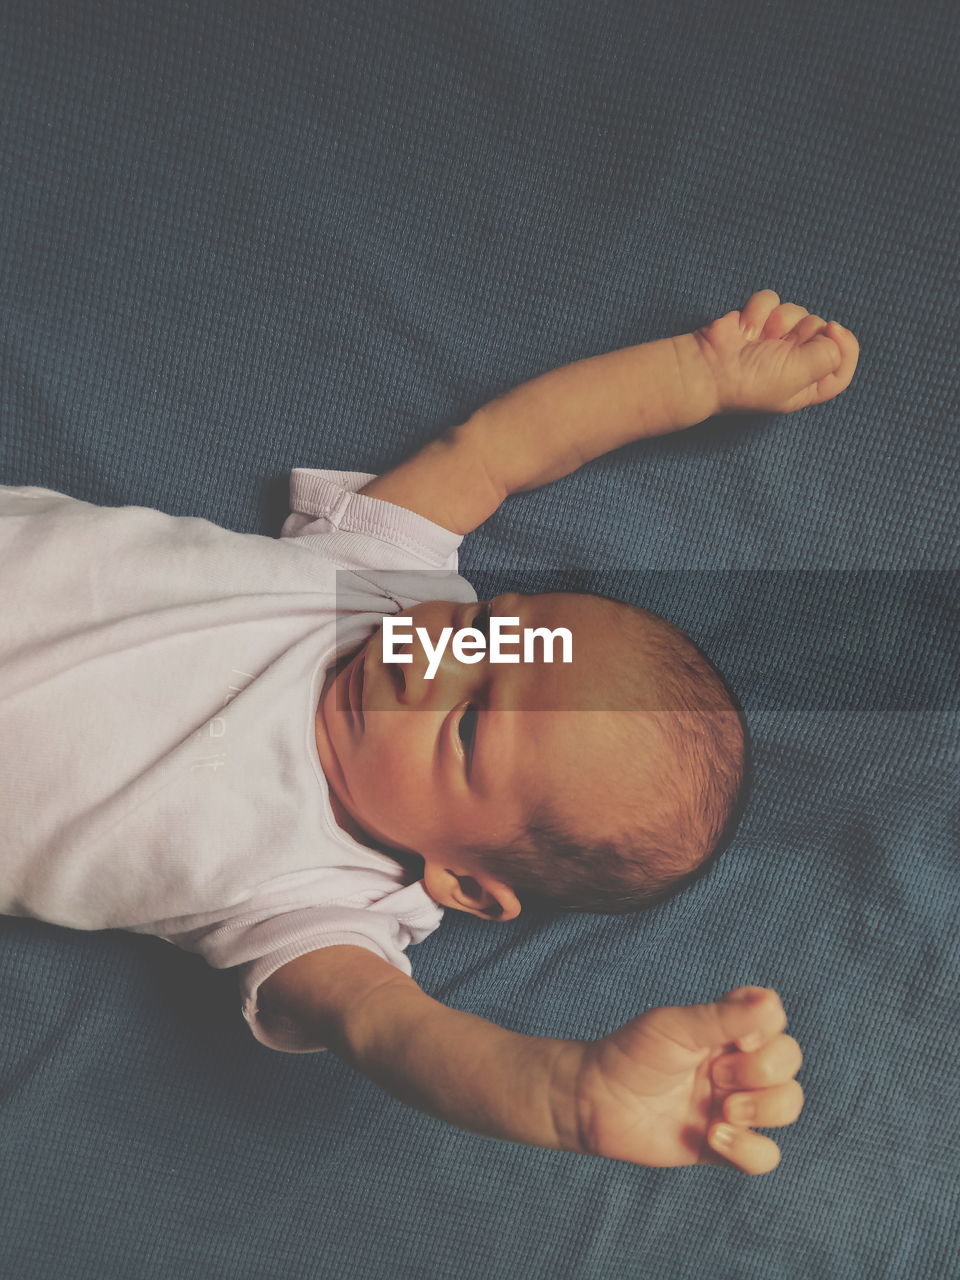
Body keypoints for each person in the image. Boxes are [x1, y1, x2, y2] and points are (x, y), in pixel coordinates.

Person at [0, 289, 859, 1175]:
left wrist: (567, 1096)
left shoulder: (326, 901)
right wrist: (696, 374)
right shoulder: (383, 592)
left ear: (465, 884)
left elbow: (393, 1031)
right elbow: (496, 450)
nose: (431, 655)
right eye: (490, 630)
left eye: (467, 726)